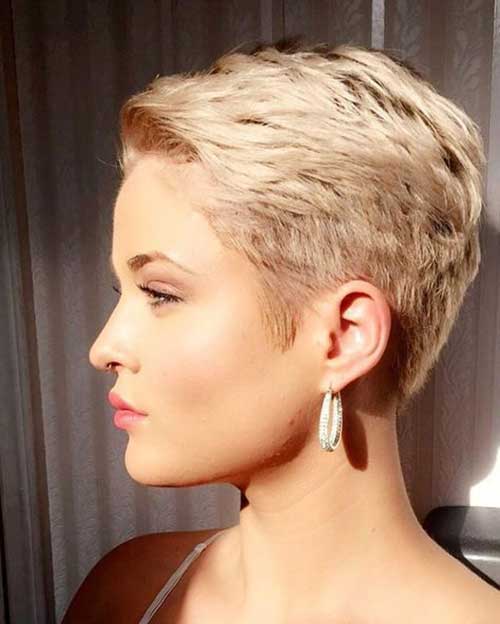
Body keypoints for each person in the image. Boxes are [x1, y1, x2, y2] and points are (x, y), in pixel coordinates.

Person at [63, 37, 500, 623]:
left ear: (344, 336)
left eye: (161, 294)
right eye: (124, 293)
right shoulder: (129, 590)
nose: (103, 348)